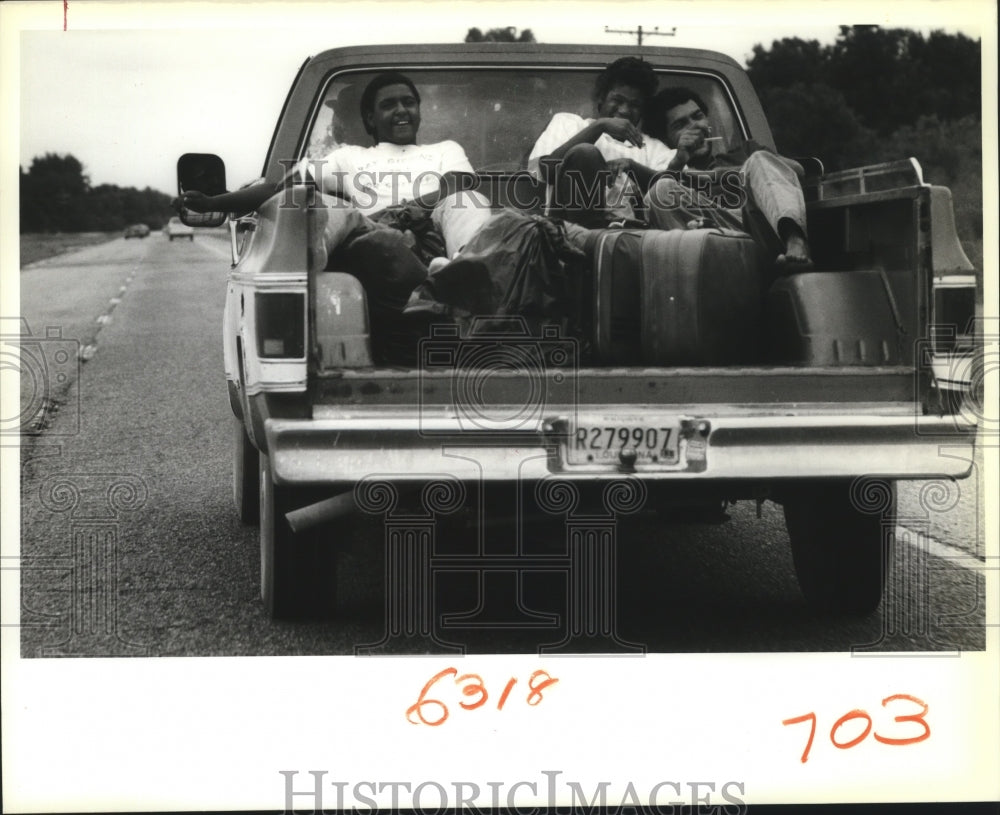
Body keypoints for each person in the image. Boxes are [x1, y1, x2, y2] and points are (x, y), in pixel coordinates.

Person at [176, 71, 493, 261]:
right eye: (388, 105)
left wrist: (404, 214)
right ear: (370, 118)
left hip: (436, 234)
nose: (401, 110)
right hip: (375, 236)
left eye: (408, 103)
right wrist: (215, 202)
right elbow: (279, 190)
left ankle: (465, 268)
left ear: (419, 111)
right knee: (322, 203)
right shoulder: (349, 157)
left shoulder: (445, 149)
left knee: (469, 201)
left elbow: (457, 187)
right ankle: (312, 259)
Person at [643, 86, 812, 267]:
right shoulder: (674, 169)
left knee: (759, 160)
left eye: (698, 117)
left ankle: (795, 241)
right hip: (715, 253)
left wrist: (717, 175)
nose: (694, 126)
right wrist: (679, 161)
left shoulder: (746, 151)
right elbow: (659, 197)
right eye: (680, 125)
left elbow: (797, 170)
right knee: (660, 190)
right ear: (666, 138)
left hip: (762, 239)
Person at [526, 57, 675, 227]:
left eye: (635, 105)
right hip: (570, 234)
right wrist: (600, 126)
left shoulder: (653, 148)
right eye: (617, 100)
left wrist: (632, 166)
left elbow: (672, 191)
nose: (624, 110)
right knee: (585, 153)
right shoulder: (570, 124)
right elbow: (545, 171)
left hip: (631, 239)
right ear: (601, 99)